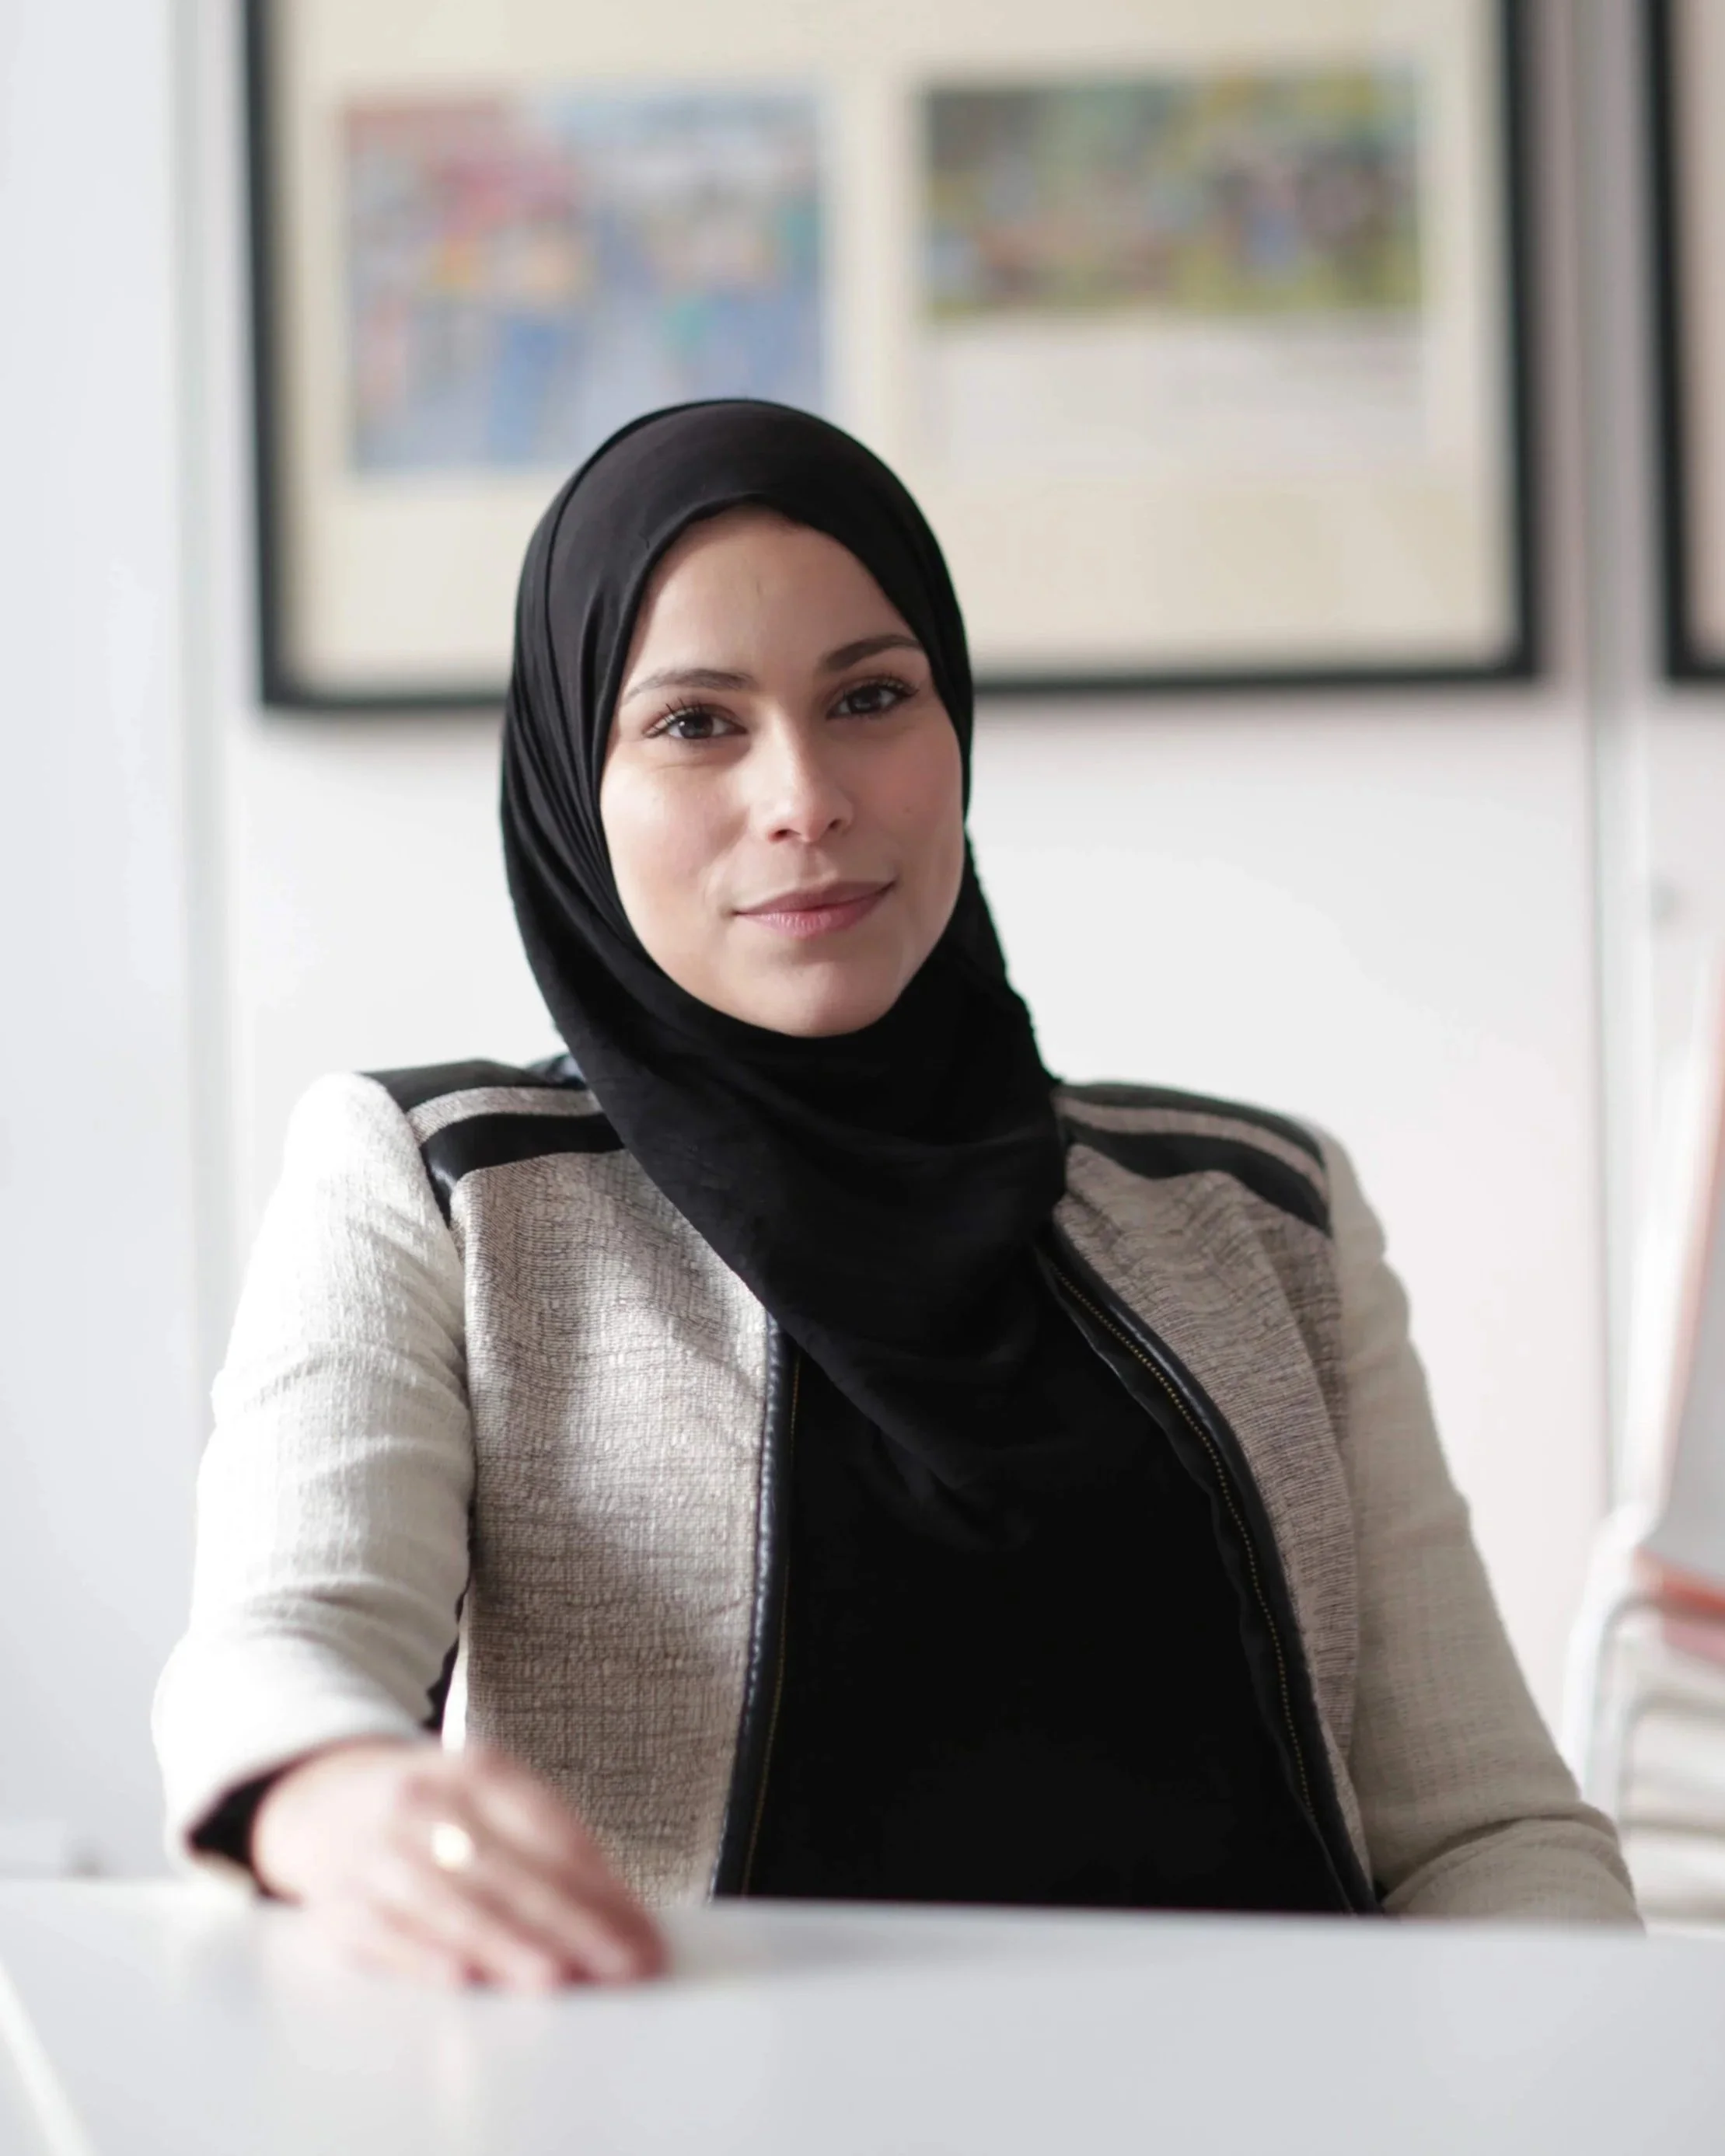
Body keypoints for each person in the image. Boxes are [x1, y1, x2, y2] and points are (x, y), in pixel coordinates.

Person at [153, 401, 1637, 1989]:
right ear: (573, 778)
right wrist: (333, 1793)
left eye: (868, 695)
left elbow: (1483, 1832)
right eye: (693, 724)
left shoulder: (1257, 1207)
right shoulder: (448, 1188)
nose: (803, 794)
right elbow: (277, 1648)